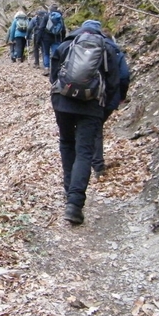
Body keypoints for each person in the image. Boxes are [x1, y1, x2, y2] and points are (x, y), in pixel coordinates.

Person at [50, 20, 120, 225]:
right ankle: (74, 204)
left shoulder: (67, 44)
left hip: (63, 102)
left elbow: (54, 74)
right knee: (84, 152)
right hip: (91, 107)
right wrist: (103, 111)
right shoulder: (107, 48)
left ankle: (68, 189)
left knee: (66, 143)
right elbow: (115, 83)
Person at [90, 23, 131, 178]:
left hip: (90, 95)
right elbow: (124, 76)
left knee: (94, 128)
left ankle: (93, 162)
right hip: (109, 97)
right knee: (97, 127)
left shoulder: (89, 47)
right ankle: (98, 166)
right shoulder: (115, 50)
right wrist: (121, 96)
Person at [40, 4, 66, 76]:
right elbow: (63, 29)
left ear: (50, 10)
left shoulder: (46, 16)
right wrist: (63, 39)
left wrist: (39, 39)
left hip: (46, 39)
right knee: (55, 54)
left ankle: (46, 68)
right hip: (56, 38)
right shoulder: (60, 17)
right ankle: (56, 69)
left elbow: (41, 28)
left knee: (46, 53)